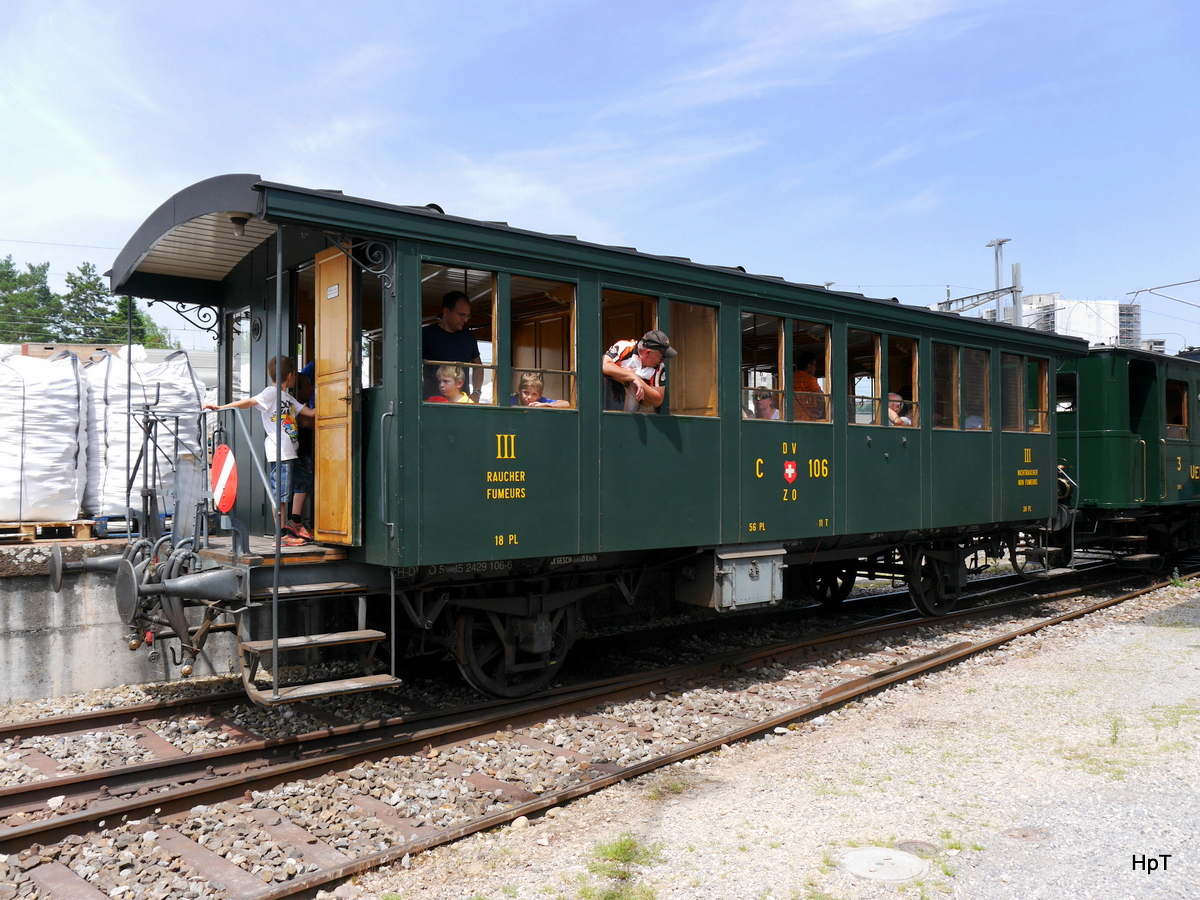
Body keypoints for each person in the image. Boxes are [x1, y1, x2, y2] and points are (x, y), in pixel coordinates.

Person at [203, 356, 315, 546]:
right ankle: (280, 536)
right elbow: (249, 402)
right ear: (290, 376)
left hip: (291, 452)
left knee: (303, 483)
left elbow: (311, 413)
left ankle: (295, 522)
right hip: (280, 451)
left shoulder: (289, 399)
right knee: (279, 493)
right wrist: (222, 407)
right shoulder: (271, 393)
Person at [422, 291, 482, 401]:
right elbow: (412, 367)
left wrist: (477, 392)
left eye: (468, 316)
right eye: (461, 315)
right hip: (432, 403)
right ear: (446, 312)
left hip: (461, 404)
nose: (466, 320)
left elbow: (478, 366)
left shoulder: (469, 337)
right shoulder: (426, 334)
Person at [602, 330, 675, 412]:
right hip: (607, 406)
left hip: (634, 414)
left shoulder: (659, 366)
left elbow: (658, 400)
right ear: (648, 353)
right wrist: (631, 376)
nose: (663, 361)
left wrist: (638, 380)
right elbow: (604, 365)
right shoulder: (626, 347)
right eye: (662, 357)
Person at [793, 350, 825, 420]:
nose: (815, 368)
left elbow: (776, 399)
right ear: (809, 366)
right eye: (815, 365)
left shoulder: (787, 380)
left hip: (791, 419)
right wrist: (819, 412)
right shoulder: (810, 379)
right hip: (807, 419)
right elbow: (820, 396)